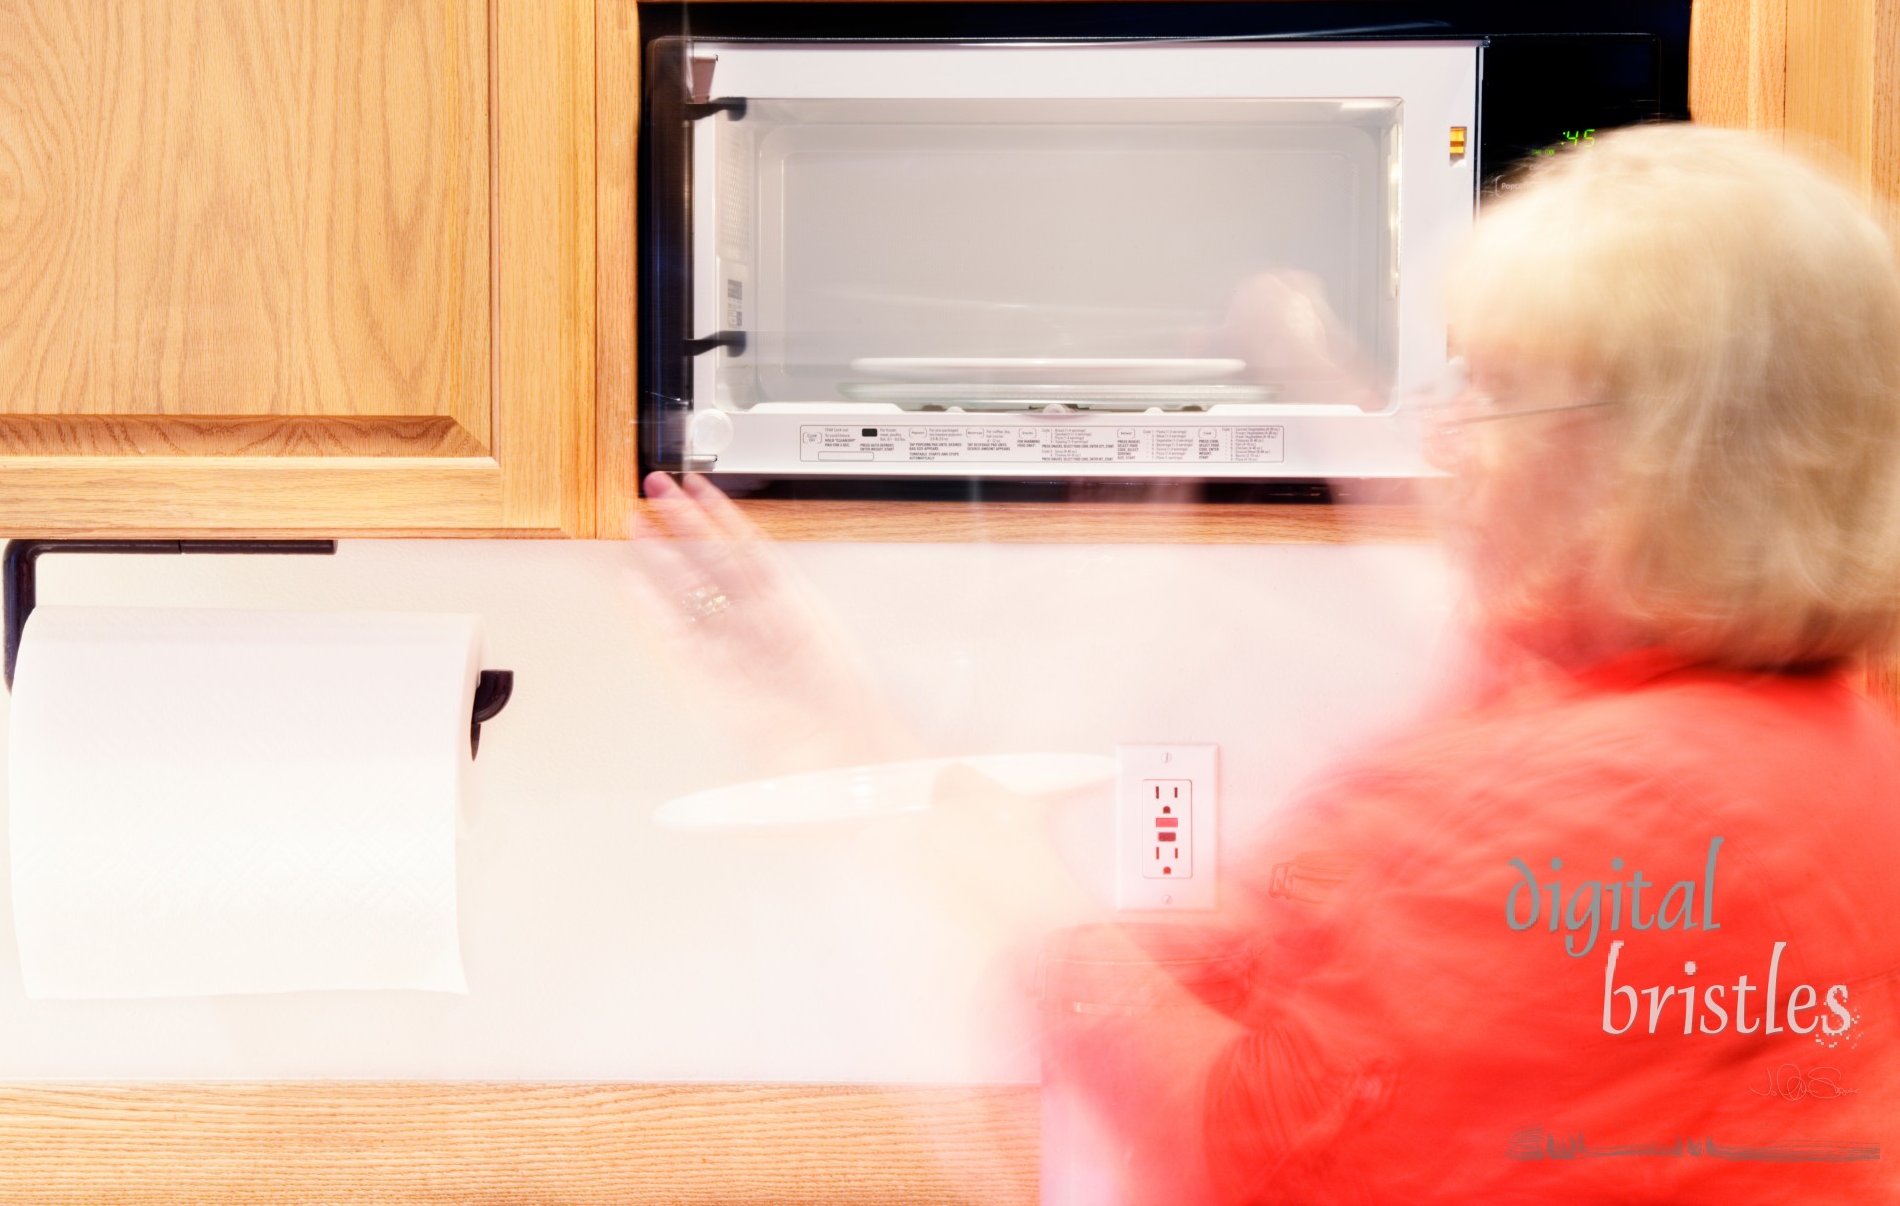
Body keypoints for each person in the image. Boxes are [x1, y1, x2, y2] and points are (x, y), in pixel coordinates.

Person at [634, 124, 1900, 1202]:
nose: (1442, 437)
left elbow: (1239, 1143)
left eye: (1498, 392)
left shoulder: (1596, 810)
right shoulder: (1794, 730)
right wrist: (1298, 368)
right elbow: (1441, 591)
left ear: (1662, 463)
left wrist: (901, 785)